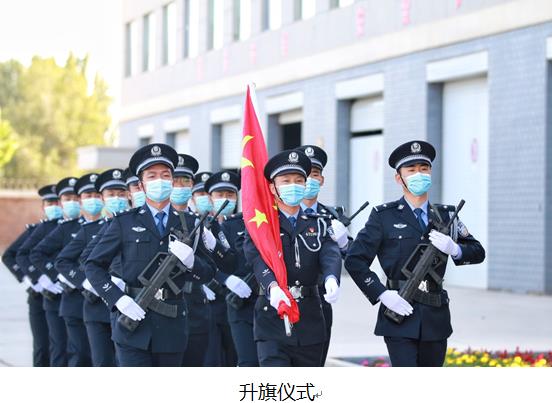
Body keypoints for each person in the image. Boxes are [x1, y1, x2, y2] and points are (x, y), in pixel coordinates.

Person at [344, 140, 486, 367]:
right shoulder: (383, 216)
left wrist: (455, 248)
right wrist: (382, 294)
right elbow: (355, 260)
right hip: (399, 311)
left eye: (424, 168)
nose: (419, 174)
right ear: (399, 178)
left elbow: (478, 252)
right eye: (411, 170)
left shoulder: (446, 215)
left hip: (435, 316)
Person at [84, 143, 215, 366]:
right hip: (132, 322)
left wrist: (192, 262)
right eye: (152, 176)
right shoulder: (124, 222)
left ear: (172, 181)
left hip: (172, 326)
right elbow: (93, 265)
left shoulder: (190, 223)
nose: (159, 181)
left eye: (165, 175)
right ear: (141, 185)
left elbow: (209, 272)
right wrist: (118, 299)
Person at [244, 150, 342, 367]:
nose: (293, 186)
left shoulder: (318, 222)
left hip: (310, 318)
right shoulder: (261, 226)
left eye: (299, 181)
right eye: (286, 181)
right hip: (272, 317)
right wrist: (272, 286)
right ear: (273, 187)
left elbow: (330, 253)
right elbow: (256, 259)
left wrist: (331, 278)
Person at [55, 168, 128, 366]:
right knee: (99, 362)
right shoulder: (95, 228)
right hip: (96, 307)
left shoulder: (132, 224)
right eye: (111, 194)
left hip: (126, 305)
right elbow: (76, 260)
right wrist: (90, 282)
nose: (117, 199)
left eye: (121, 194)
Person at [30, 175, 101, 366]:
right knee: (72, 354)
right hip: (72, 300)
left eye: (96, 195)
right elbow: (41, 255)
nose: (93, 200)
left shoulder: (107, 225)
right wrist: (61, 278)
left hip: (99, 302)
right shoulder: (68, 228)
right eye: (88, 196)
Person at [297, 145, 348, 366]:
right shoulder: (280, 214)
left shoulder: (332, 216)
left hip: (320, 299)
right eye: (305, 175)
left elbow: (353, 257)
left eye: (315, 174)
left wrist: (344, 243)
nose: (310, 180)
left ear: (322, 180)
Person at [2, 186, 53, 366]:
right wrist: (29, 278)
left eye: (56, 202)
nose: (54, 206)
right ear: (43, 207)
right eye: (50, 203)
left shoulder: (72, 229)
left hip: (61, 295)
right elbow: (10, 255)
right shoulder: (36, 230)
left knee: (59, 347)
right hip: (39, 295)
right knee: (41, 347)